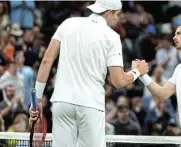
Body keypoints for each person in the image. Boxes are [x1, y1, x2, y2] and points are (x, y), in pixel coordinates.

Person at [29, 0, 148, 146]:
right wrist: (137, 71)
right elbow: (119, 81)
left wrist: (38, 100)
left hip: (62, 102)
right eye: (117, 14)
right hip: (90, 105)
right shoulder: (112, 37)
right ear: (109, 12)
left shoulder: (68, 24)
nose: (118, 18)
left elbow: (47, 60)